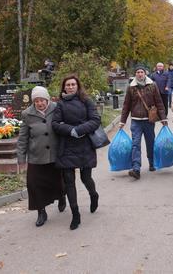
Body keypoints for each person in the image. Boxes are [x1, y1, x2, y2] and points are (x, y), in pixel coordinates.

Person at [52, 75, 101, 230]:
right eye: (68, 85)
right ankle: (75, 214)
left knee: (86, 178)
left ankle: (93, 194)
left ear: (77, 86)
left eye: (73, 84)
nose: (71, 87)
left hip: (85, 144)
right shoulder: (59, 104)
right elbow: (55, 123)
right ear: (64, 87)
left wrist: (79, 130)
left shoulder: (86, 101)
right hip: (66, 145)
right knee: (69, 181)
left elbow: (95, 120)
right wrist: (70, 130)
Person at [17, 86, 66, 227]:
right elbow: (22, 138)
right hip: (36, 156)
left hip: (56, 154)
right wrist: (21, 159)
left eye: (42, 100)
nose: (40, 103)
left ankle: (62, 197)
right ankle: (41, 212)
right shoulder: (27, 114)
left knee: (59, 181)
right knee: (34, 184)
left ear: (47, 99)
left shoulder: (57, 108)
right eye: (36, 101)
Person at [119, 65, 168, 179]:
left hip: (149, 120)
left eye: (141, 72)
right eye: (138, 72)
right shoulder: (131, 87)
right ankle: (136, 168)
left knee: (150, 142)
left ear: (145, 73)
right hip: (136, 121)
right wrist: (122, 121)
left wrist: (163, 118)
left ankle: (151, 162)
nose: (140, 74)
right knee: (135, 144)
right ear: (135, 74)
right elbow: (126, 105)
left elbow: (159, 102)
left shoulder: (152, 85)